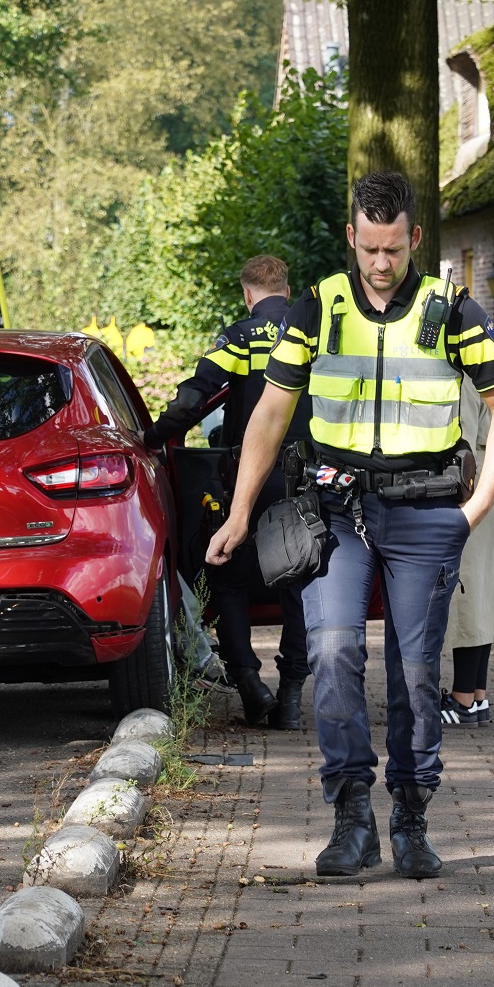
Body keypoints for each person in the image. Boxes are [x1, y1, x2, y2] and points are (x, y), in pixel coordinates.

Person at [205, 172, 494, 879]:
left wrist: (474, 510)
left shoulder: (453, 312)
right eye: (369, 248)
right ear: (351, 238)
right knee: (335, 655)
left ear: (414, 238)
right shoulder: (318, 306)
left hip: (424, 512)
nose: (381, 264)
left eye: (394, 249)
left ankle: (411, 817)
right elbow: (270, 413)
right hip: (337, 511)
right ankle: (353, 814)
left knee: (414, 676)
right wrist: (238, 513)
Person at [144, 255, 311, 728]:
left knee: (229, 579)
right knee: (297, 582)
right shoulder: (313, 335)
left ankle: (250, 686)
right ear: (286, 286)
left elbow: (195, 398)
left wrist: (151, 439)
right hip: (304, 481)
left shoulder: (240, 337)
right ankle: (293, 697)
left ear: (247, 295)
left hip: (247, 481)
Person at [442, 383, 494, 725]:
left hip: (468, 491)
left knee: (468, 594)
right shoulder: (488, 369)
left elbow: (462, 443)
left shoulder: (461, 375)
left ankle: (461, 699)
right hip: (489, 486)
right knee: (482, 592)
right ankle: (476, 696)